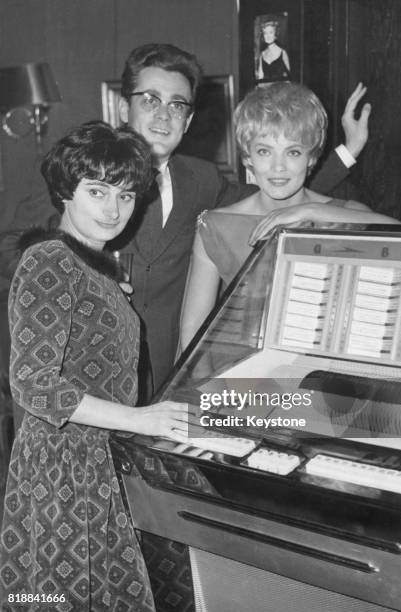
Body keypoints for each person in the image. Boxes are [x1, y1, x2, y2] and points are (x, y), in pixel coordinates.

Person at [110, 43, 371, 397]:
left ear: (188, 120)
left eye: (176, 105)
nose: (163, 115)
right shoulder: (85, 169)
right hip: (101, 361)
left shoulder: (201, 180)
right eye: (150, 100)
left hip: (171, 371)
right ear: (124, 108)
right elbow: (16, 245)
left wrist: (346, 153)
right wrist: (82, 276)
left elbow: (276, 193)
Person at [0, 121, 188, 611]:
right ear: (66, 190)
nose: (113, 209)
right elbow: (33, 384)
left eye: (126, 195)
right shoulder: (49, 260)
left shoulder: (91, 267)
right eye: (97, 191)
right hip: (61, 470)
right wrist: (139, 419)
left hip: (93, 462)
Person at [179, 82, 401, 350]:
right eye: (264, 151)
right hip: (244, 378)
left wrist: (311, 211)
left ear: (311, 157)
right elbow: (192, 330)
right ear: (247, 157)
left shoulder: (343, 214)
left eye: (293, 152)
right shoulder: (216, 226)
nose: (278, 167)